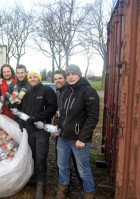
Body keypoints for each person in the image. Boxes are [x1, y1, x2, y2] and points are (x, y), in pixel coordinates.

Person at [54, 64, 99, 199]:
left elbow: (93, 118)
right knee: (62, 166)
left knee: (83, 170)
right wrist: (56, 127)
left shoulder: (88, 91)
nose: (70, 77)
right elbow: (60, 113)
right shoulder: (65, 91)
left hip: (78, 140)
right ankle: (62, 191)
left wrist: (83, 138)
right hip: (63, 138)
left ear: (79, 75)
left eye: (73, 74)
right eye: (68, 75)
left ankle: (89, 194)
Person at [18, 71, 57, 199]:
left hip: (41, 130)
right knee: (32, 155)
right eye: (31, 77)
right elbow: (23, 111)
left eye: (35, 77)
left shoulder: (47, 91)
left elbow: (52, 108)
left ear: (39, 78)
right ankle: (34, 178)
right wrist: (22, 124)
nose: (33, 79)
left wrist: (36, 118)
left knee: (41, 157)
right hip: (30, 130)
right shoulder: (28, 92)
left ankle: (41, 184)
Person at [54, 69, 82, 184]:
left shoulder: (69, 91)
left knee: (77, 161)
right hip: (61, 131)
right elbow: (59, 112)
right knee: (61, 161)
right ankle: (65, 183)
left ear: (65, 79)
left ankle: (83, 184)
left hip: (73, 132)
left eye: (60, 78)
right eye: (55, 79)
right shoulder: (59, 92)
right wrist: (56, 125)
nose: (57, 81)